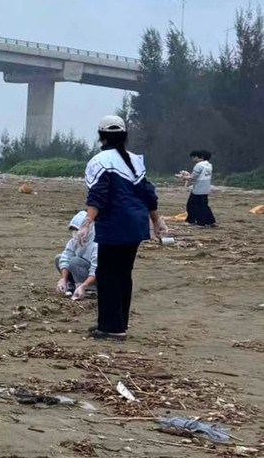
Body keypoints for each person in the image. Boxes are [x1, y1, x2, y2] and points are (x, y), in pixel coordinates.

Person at [76, 115, 164, 340]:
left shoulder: (100, 161)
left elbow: (98, 196)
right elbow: (148, 193)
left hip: (115, 225)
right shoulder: (135, 160)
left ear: (101, 136)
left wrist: (86, 222)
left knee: (108, 275)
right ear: (124, 135)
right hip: (136, 224)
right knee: (124, 274)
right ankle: (117, 322)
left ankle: (111, 328)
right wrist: (156, 220)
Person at [57, 211, 98, 300]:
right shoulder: (74, 241)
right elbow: (66, 257)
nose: (75, 232)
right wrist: (63, 279)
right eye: (73, 229)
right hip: (81, 271)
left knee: (75, 261)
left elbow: (96, 269)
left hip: (96, 278)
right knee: (59, 258)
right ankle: (70, 285)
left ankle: (89, 289)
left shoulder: (96, 244)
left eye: (77, 229)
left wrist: (84, 284)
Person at [181, 149, 216, 227]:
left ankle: (198, 222)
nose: (193, 159)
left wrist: (184, 177)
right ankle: (210, 221)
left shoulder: (199, 165)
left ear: (201, 157)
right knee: (204, 205)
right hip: (206, 187)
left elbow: (193, 177)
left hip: (198, 188)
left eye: (194, 157)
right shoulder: (209, 165)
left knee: (193, 205)